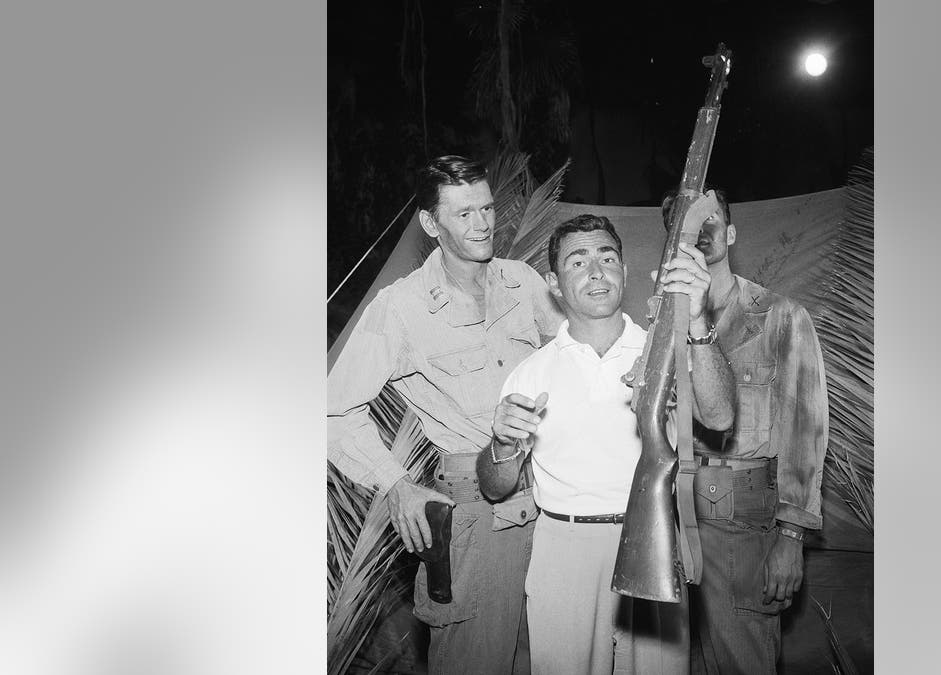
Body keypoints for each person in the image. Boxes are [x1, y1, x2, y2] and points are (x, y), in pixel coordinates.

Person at [328, 155, 565, 675]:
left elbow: (572, 360)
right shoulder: (401, 308)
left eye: (486, 208)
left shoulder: (523, 282)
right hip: (476, 517)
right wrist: (396, 485)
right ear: (431, 224)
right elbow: (331, 413)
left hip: (553, 501)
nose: (483, 224)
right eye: (464, 214)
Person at [478, 206, 736, 675]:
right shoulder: (530, 371)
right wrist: (501, 443)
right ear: (554, 284)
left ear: (624, 269)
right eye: (577, 262)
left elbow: (719, 417)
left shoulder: (663, 350)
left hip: (655, 536)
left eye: (607, 257)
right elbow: (495, 487)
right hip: (565, 548)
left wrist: (696, 322)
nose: (596, 272)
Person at [662, 188, 829, 674]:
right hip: (671, 516)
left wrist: (791, 537)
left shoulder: (779, 316)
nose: (702, 229)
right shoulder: (659, 324)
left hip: (743, 522)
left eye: (711, 218)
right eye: (687, 222)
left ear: (731, 232)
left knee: (741, 663)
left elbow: (806, 430)